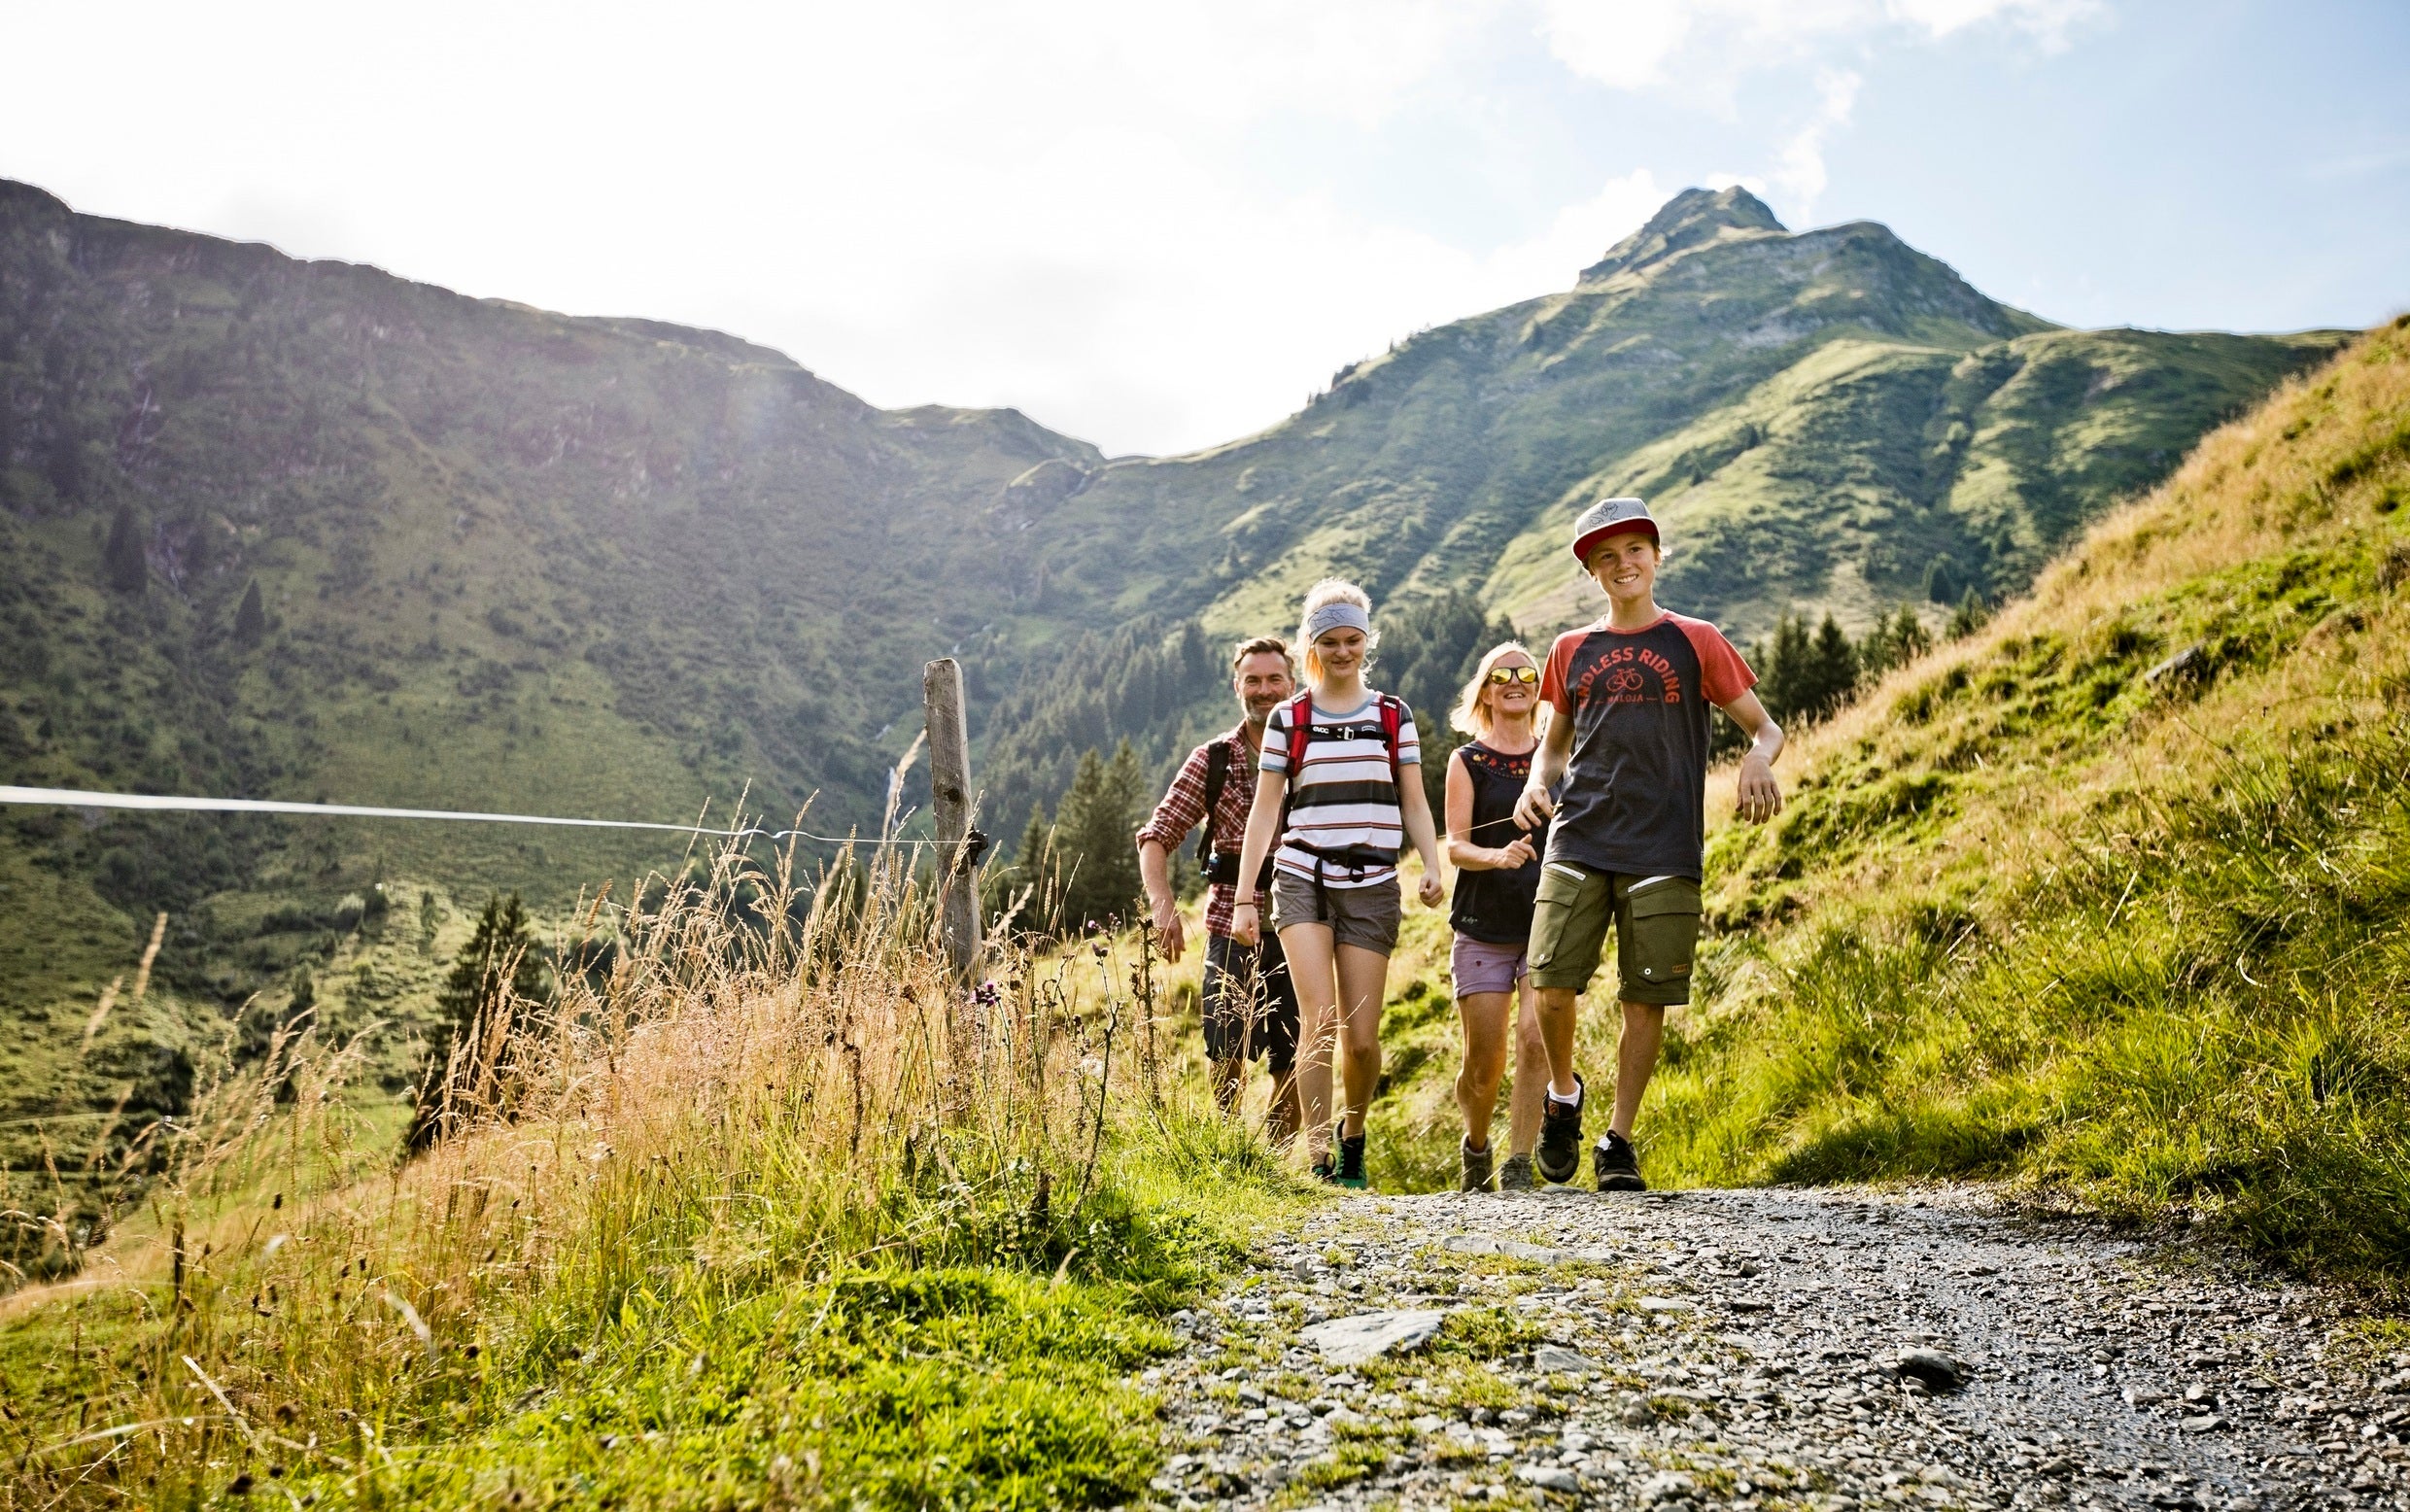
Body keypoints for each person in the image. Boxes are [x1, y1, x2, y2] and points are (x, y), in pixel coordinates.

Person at [1513, 498, 1784, 1191]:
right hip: (1579, 835)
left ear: (1657, 556)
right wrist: (1533, 786)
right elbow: (1552, 751)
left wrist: (1758, 758)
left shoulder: (1696, 640)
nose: (1622, 563)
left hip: (1665, 845)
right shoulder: (1571, 650)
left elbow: (1765, 727)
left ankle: (1619, 1141)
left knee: (1646, 999)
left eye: (1635, 549)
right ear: (1592, 572)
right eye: (1606, 556)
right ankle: (1565, 1099)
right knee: (1549, 984)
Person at [1231, 579, 1445, 1187]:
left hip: (1373, 881)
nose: (1343, 651)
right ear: (1312, 645)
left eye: (1353, 640)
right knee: (1318, 1021)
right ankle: (1319, 1158)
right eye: (1331, 641)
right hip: (1302, 876)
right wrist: (1246, 896)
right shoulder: (1289, 718)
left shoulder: (1391, 716)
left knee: (1363, 1037)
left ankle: (1354, 1134)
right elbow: (1266, 809)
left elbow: (1414, 800)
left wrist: (1432, 864)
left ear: (1366, 642)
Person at [1135, 636, 1304, 1142]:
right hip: (1229, 922)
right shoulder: (1212, 759)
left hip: (1305, 920)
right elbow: (1155, 836)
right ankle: (1230, 1155)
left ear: (1292, 685)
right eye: (1253, 680)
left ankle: (1274, 1168)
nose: (1264, 690)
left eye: (1275, 679)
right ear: (1237, 686)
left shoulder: (1315, 755)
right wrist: (1163, 909)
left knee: (1295, 1055)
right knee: (1225, 1048)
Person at [1441, 641, 1550, 1192]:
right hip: (1482, 924)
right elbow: (1456, 848)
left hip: (1547, 923)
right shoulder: (1467, 762)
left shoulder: (1558, 757)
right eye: (1501, 674)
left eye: (1527, 672)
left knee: (1536, 1039)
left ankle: (1519, 1162)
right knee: (1484, 1066)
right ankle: (1477, 1145)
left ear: (1539, 687)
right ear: (1484, 690)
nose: (1515, 681)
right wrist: (1498, 856)